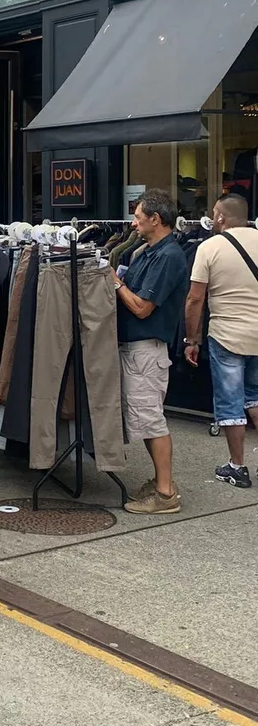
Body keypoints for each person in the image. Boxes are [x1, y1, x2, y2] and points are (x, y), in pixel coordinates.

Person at [112, 189, 190, 514]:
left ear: (155, 219)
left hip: (147, 350)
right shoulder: (148, 251)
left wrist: (114, 284)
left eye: (138, 216)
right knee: (144, 420)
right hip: (138, 349)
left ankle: (165, 494)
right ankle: (162, 482)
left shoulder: (169, 257)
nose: (134, 223)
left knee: (152, 422)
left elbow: (142, 307)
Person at [184, 193, 258, 489]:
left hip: (227, 335)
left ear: (221, 218)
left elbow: (195, 299)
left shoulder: (210, 247)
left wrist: (192, 339)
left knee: (230, 403)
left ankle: (237, 467)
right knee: (254, 396)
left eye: (214, 213)